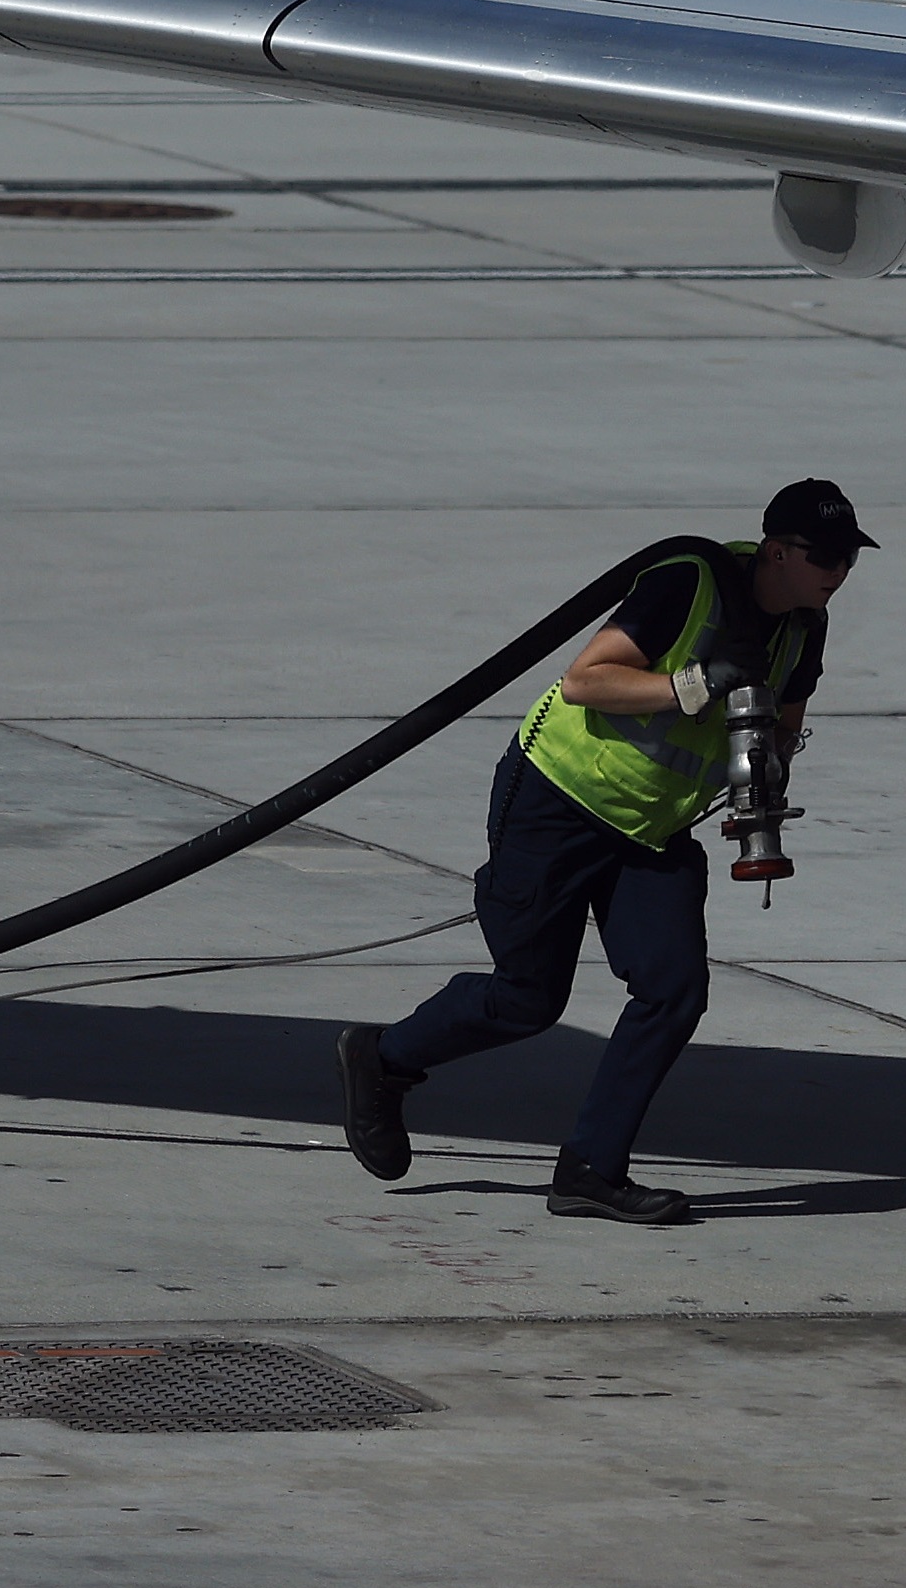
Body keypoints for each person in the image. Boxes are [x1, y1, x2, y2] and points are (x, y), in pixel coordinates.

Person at [334, 481, 875, 1224]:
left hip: (650, 831)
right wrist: (694, 685)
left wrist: (762, 795)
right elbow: (586, 681)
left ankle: (591, 1168)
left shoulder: (805, 625)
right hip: (557, 801)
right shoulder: (690, 582)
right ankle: (384, 1057)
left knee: (674, 986)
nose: (838, 570)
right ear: (777, 551)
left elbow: (783, 723)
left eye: (849, 557)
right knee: (528, 997)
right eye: (824, 555)